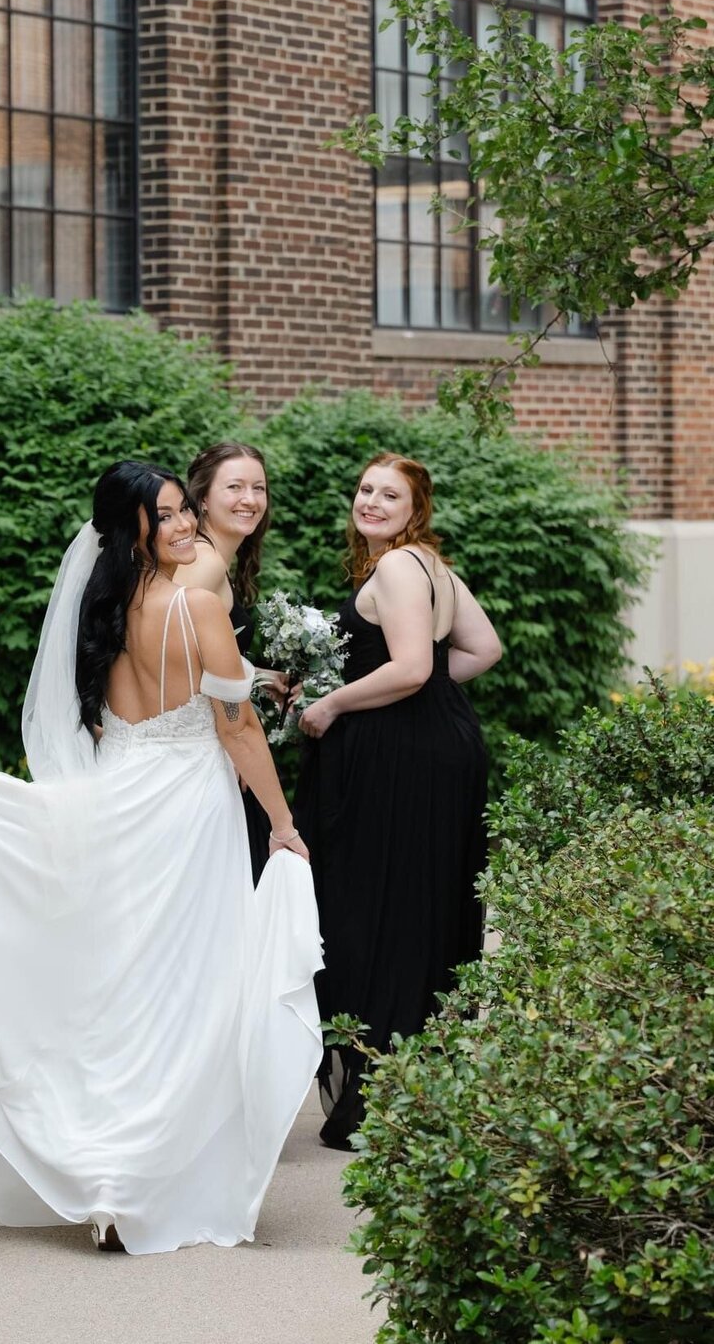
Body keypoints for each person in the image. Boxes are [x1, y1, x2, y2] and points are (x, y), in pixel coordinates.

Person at [0, 461, 323, 1254]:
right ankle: (145, 1179)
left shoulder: (103, 606)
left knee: (121, 988)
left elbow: (107, 718)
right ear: (137, 527)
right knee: (184, 992)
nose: (187, 527)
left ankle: (106, 1174)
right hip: (187, 810)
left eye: (187, 512)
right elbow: (236, 728)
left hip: (120, 796)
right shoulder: (198, 605)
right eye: (171, 516)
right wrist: (281, 822)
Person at [293, 454, 501, 1149]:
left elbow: (411, 668)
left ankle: (379, 1094)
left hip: (404, 762)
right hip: (442, 750)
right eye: (366, 489)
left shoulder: (396, 567)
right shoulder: (432, 567)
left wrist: (333, 704)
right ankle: (413, 1085)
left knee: (374, 908)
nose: (373, 502)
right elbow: (481, 649)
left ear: (416, 510)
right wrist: (430, 696)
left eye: (391, 495)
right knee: (420, 905)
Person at [176, 441, 285, 882]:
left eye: (258, 488)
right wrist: (233, 742)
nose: (250, 499)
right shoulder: (204, 563)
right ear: (202, 498)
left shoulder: (211, 558)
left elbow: (199, 655)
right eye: (235, 487)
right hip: (207, 751)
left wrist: (257, 675)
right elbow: (165, 655)